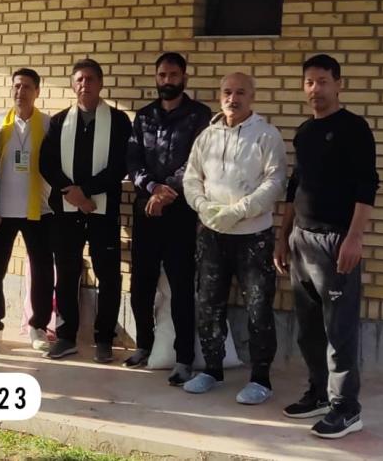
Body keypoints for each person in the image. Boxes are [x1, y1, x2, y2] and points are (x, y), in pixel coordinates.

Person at [274, 54, 379, 439]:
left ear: (338, 84)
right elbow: (295, 186)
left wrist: (354, 238)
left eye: (322, 81)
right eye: (309, 82)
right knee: (309, 330)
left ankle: (347, 408)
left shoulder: (354, 129)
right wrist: (283, 236)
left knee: (339, 331)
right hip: (302, 239)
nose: (315, 89)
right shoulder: (305, 132)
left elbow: (367, 186)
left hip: (337, 242)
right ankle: (319, 393)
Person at [183, 72, 286, 404]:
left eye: (240, 92)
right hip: (212, 235)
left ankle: (261, 379)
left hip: (252, 237)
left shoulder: (266, 135)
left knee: (258, 307)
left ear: (252, 96)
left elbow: (275, 182)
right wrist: (202, 206)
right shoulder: (207, 136)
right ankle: (212, 370)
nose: (233, 98)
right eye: (227, 92)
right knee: (208, 304)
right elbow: (191, 178)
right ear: (220, 95)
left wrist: (240, 210)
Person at [125, 52, 211, 385]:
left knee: (181, 287)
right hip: (146, 211)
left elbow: (195, 162)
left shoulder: (199, 116)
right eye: (162, 75)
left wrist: (166, 192)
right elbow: (133, 160)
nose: (167, 81)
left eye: (173, 75)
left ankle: (184, 358)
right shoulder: (144, 116)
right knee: (141, 284)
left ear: (184, 77)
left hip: (181, 213)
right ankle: (144, 345)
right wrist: (152, 188)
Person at [40, 58, 132, 363]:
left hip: (102, 211)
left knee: (108, 274)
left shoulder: (118, 121)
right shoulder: (59, 121)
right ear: (72, 85)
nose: (84, 85)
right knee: (67, 273)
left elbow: (120, 164)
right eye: (79, 79)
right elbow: (47, 163)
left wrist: (86, 192)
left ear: (100, 83)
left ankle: (104, 339)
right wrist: (74, 194)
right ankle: (66, 337)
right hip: (67, 211)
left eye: (90, 79)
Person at [0, 68, 54, 353]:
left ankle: (38, 326)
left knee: (42, 270)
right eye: (16, 86)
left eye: (26, 87)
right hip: (1, 210)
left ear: (37, 91)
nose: (20, 92)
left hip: (39, 210)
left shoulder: (47, 124)